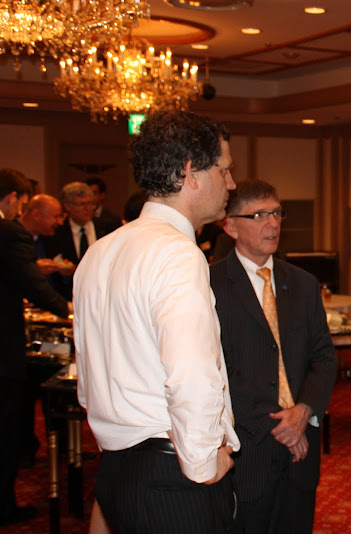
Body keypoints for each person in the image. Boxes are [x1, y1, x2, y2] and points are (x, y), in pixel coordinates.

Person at [73, 110, 241, 534]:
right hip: (171, 477)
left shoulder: (100, 251)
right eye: (224, 170)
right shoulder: (178, 254)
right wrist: (204, 463)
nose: (231, 184)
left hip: (116, 469)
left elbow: (88, 378)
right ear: (191, 173)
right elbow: (192, 374)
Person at [210, 179, 337, 534]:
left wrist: (304, 410)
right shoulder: (209, 284)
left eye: (277, 213)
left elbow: (324, 357)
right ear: (231, 226)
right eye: (259, 215)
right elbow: (218, 369)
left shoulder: (303, 283)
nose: (273, 223)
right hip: (250, 446)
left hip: (302, 448)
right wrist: (280, 426)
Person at [0, 172, 70, 527]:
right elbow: (33, 285)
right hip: (3, 352)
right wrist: (68, 310)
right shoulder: (9, 231)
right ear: (13, 198)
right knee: (5, 429)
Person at [43, 181, 115, 299]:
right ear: (67, 206)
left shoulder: (108, 228)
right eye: (82, 204)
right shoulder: (57, 232)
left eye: (91, 204)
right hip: (68, 295)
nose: (88, 209)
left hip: (102, 293)